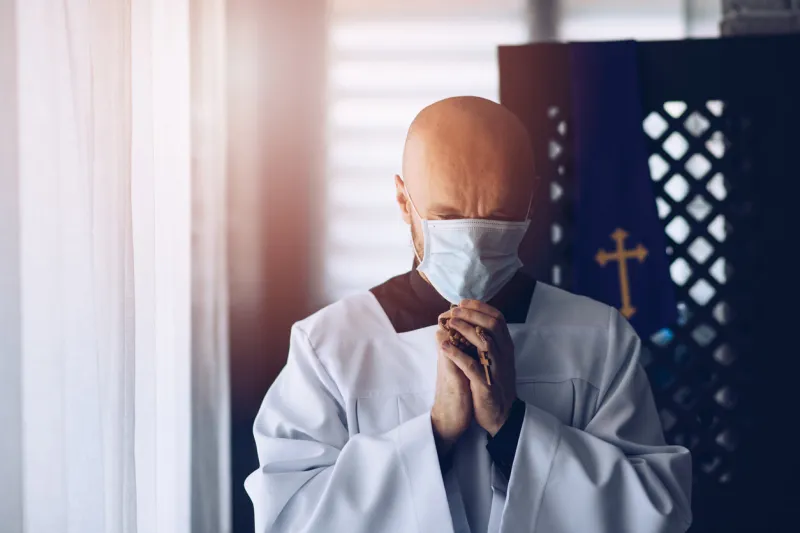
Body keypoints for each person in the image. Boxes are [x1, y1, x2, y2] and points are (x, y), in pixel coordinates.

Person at [245, 96, 692, 532]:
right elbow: (288, 516)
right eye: (446, 217)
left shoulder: (597, 338)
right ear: (404, 202)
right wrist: (434, 435)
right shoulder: (330, 346)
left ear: (529, 203)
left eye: (497, 218)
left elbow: (657, 509)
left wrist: (513, 427)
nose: (475, 251)